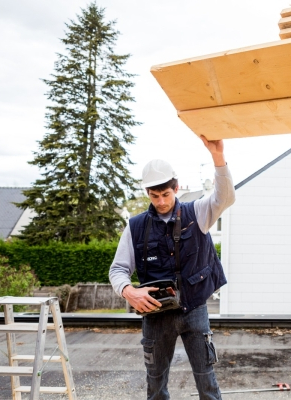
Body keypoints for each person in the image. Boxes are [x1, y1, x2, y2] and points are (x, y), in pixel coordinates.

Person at [109, 136, 235, 400]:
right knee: (155, 386)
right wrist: (128, 291)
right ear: (147, 193)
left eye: (166, 194)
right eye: (154, 196)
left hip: (194, 310)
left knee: (207, 383)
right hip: (155, 316)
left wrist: (218, 158)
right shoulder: (135, 227)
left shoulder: (197, 213)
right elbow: (118, 270)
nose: (161, 201)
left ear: (176, 188)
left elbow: (225, 197)